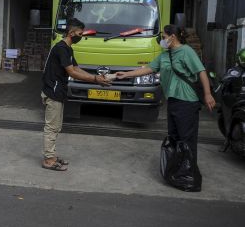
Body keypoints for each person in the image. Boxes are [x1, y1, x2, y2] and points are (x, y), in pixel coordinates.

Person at [116, 25, 215, 163]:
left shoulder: (186, 51)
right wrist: (126, 74)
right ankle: (177, 169)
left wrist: (208, 94)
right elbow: (149, 68)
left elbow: (201, 71)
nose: (161, 40)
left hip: (187, 101)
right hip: (173, 100)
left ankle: (188, 171)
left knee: (186, 138)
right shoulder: (164, 55)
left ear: (172, 37)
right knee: (174, 136)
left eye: (163, 37)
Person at [40, 18, 111, 171]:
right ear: (71, 32)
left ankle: (51, 154)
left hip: (58, 92)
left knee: (56, 127)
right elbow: (71, 72)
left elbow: (76, 68)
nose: (81, 36)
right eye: (80, 33)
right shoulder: (61, 48)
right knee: (51, 127)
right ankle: (48, 159)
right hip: (53, 92)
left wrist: (96, 79)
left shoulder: (68, 49)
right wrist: (94, 78)